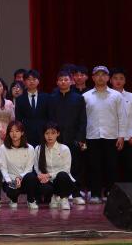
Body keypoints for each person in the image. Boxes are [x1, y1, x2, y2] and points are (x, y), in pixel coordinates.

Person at [83, 66, 127, 203]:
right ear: (93, 78)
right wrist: (82, 138)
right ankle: (95, 194)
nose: (101, 77)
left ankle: (110, 194)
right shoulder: (86, 96)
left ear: (108, 78)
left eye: (104, 75)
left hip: (111, 136)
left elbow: (122, 116)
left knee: (111, 167)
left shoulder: (116, 95)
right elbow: (82, 119)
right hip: (92, 136)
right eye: (97, 75)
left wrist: (121, 136)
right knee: (94, 167)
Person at [48, 70, 87, 204]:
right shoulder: (52, 98)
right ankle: (61, 193)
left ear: (71, 81)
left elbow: (83, 121)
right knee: (58, 167)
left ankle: (76, 194)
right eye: (61, 80)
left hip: (73, 138)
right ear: (57, 82)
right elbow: (50, 119)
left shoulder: (78, 98)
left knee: (75, 166)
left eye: (66, 79)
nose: (63, 82)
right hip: (57, 139)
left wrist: (80, 139)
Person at [0, 120, 39, 209]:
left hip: (24, 180)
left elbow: (29, 169)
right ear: (8, 133)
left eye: (17, 131)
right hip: (10, 180)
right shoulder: (3, 148)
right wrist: (10, 182)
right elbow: (3, 169)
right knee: (12, 190)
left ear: (22, 133)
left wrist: (19, 178)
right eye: (11, 131)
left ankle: (31, 200)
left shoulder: (30, 148)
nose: (14, 134)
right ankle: (13, 200)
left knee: (31, 177)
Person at [110, 68, 132, 182]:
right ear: (110, 80)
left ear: (125, 81)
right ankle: (111, 190)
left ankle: (130, 190)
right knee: (112, 167)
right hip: (111, 137)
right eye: (115, 78)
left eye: (121, 78)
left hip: (128, 138)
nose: (118, 81)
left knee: (129, 167)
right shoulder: (106, 96)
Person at [36, 123, 74, 210]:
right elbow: (37, 167)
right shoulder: (38, 149)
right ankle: (54, 197)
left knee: (62, 175)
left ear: (58, 134)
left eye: (53, 133)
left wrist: (49, 175)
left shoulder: (64, 149)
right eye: (47, 133)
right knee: (43, 187)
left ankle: (64, 199)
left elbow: (66, 170)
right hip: (48, 181)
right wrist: (42, 176)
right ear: (43, 134)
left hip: (63, 180)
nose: (50, 136)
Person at [14, 70, 50, 146]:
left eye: (34, 79)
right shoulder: (20, 99)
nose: (31, 81)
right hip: (26, 134)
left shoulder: (46, 97)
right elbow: (18, 119)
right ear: (24, 82)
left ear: (38, 81)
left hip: (43, 133)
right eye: (28, 79)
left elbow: (50, 117)